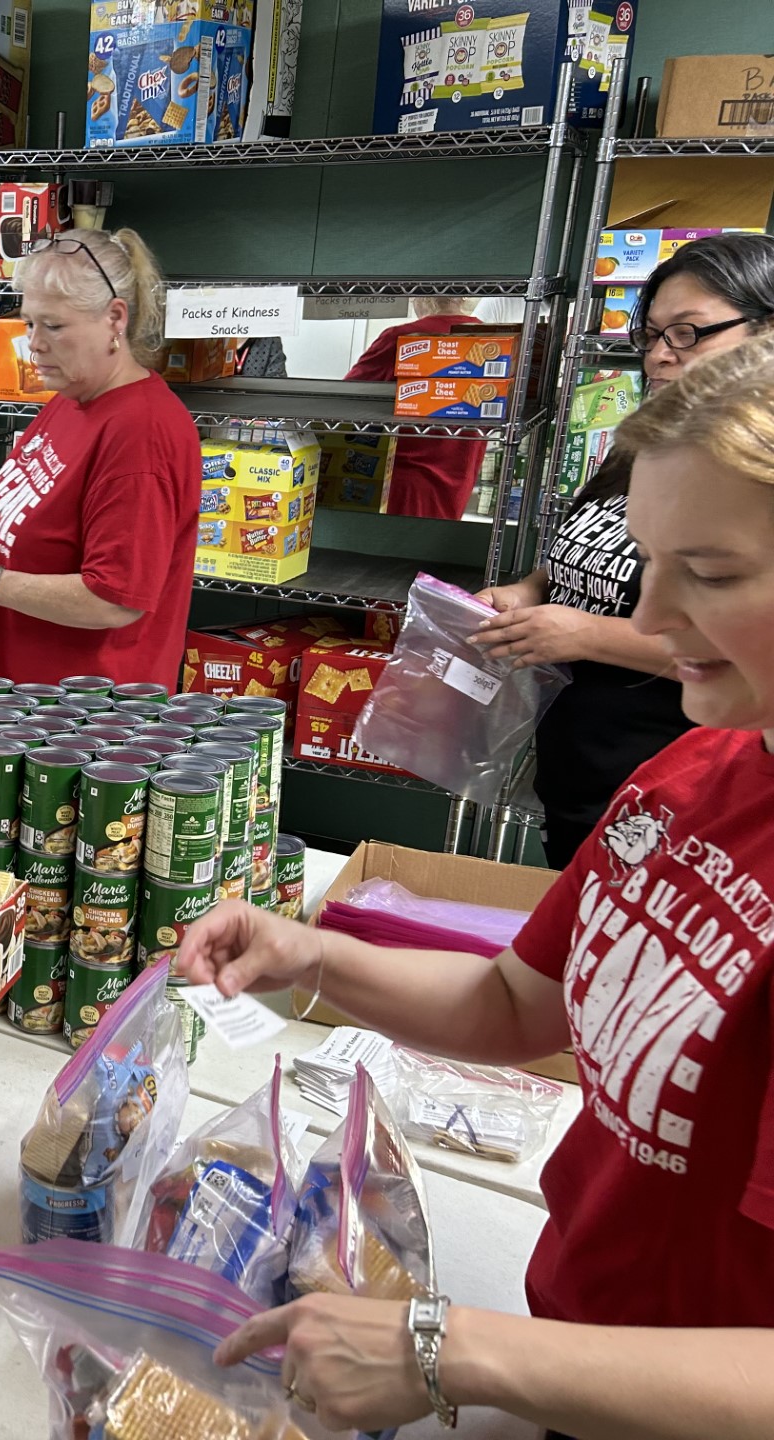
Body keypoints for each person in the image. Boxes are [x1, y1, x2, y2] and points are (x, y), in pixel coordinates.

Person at [179, 331, 774, 1440]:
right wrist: (312, 957)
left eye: (715, 571)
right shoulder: (694, 773)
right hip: (583, 1364)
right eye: (648, 559)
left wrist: (455, 1349)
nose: (645, 619)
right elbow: (514, 1004)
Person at [473, 233, 774, 866]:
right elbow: (591, 544)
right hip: (588, 774)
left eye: (689, 333)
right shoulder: (650, 446)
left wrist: (587, 635)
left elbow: (743, 649)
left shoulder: (755, 478)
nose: (661, 357)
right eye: (653, 334)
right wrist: (532, 590)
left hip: (685, 792)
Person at [0, 227, 199, 686]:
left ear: (115, 318)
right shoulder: (73, 395)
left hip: (84, 722)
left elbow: (113, 599)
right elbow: (39, 505)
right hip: (17, 702)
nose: (33, 343)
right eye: (29, 322)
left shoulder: (142, 433)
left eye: (53, 326)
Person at [344, 297, 491, 519]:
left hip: (401, 484)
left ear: (421, 295)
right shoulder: (493, 341)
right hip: (456, 483)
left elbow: (341, 400)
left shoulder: (401, 338)